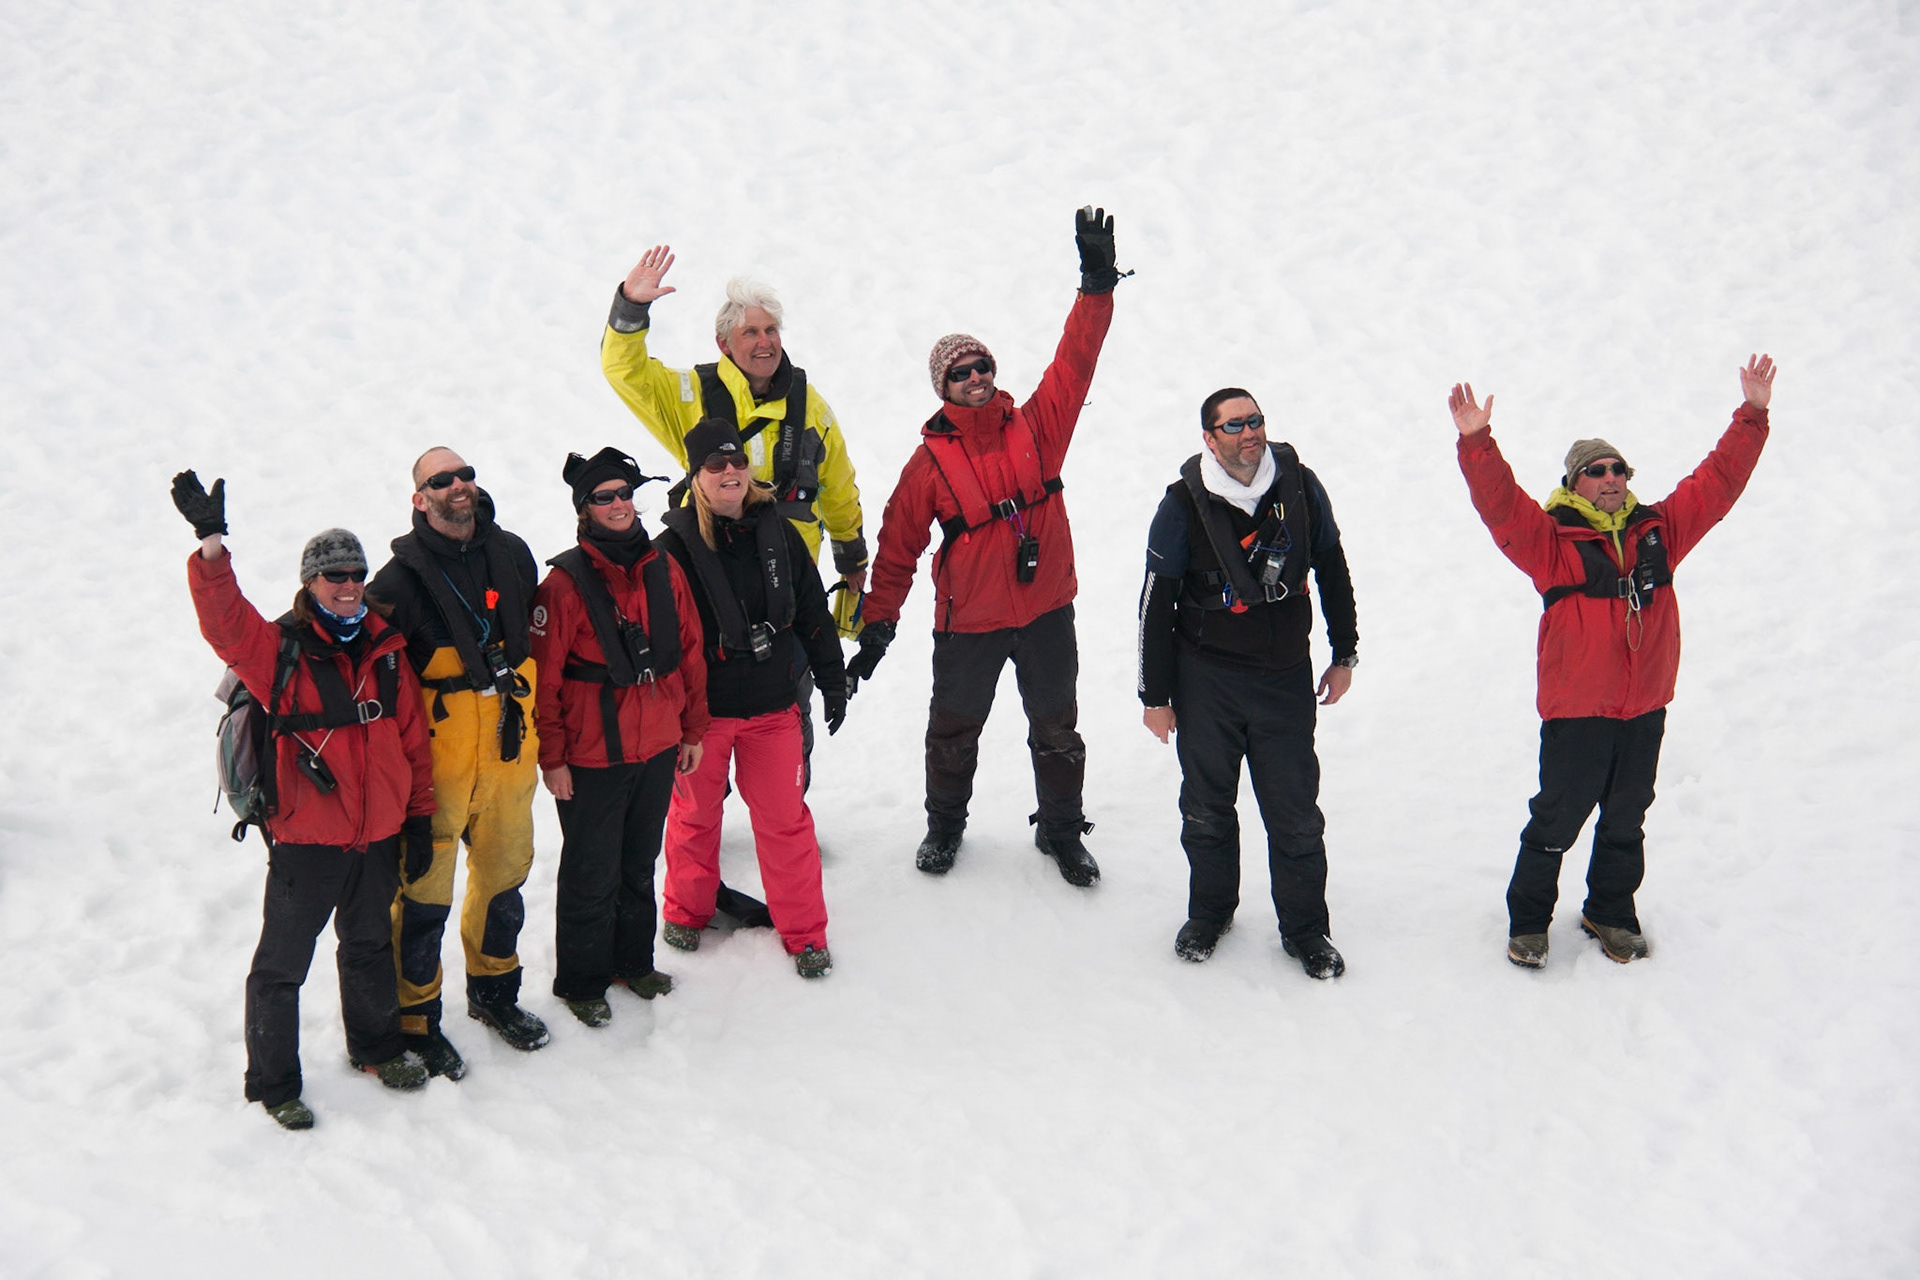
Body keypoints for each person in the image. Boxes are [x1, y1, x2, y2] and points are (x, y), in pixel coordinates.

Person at [1448, 355, 1776, 967]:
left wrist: (1752, 414)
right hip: (1578, 708)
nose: (1610, 478)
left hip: (1644, 704)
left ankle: (1611, 911)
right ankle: (1528, 923)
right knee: (1557, 818)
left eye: (1618, 468)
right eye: (1596, 472)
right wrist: (1476, 441)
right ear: (1574, 484)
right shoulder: (1550, 541)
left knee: (1627, 816)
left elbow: (1719, 481)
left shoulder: (1660, 530)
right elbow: (1497, 504)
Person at [852, 206, 1122, 886]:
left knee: (1058, 729)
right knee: (953, 731)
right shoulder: (927, 466)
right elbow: (897, 549)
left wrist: (1096, 284)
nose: (975, 377)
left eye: (982, 366)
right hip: (968, 621)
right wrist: (879, 623)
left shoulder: (1038, 427)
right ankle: (945, 827)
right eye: (960, 372)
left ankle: (1061, 831)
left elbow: (1076, 362)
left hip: (1046, 612)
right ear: (941, 388)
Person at [173, 471, 436, 1130]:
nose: (348, 587)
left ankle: (375, 1049)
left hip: (376, 836)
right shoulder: (278, 650)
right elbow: (223, 621)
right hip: (306, 842)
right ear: (310, 583)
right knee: (282, 967)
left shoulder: (388, 649)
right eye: (333, 576)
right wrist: (211, 545)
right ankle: (273, 1081)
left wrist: (419, 816)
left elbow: (412, 743)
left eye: (355, 574)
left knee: (371, 946)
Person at [602, 253, 867, 767]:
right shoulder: (687, 394)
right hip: (703, 579)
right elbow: (623, 370)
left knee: (790, 708)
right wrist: (631, 306)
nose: (764, 341)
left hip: (784, 582)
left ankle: (787, 800)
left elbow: (838, 484)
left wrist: (852, 557)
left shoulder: (811, 407)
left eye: (771, 330)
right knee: (700, 704)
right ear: (725, 343)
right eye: (750, 332)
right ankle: (701, 814)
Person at [1136, 390, 1359, 979]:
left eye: (1255, 420)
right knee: (1207, 809)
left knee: (1295, 813)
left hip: (1284, 680)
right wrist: (1154, 697)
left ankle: (1307, 929)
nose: (1249, 432)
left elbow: (1332, 567)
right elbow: (1155, 605)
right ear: (1209, 439)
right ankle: (1210, 913)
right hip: (1206, 681)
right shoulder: (1182, 504)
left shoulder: (1301, 487)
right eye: (1233, 425)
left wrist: (1344, 653)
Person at [365, 448, 548, 1076]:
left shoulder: (513, 553)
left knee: (504, 883)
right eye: (439, 480)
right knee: (422, 900)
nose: (457, 486)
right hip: (436, 773)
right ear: (419, 498)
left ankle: (495, 996)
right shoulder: (394, 583)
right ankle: (415, 1020)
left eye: (465, 474)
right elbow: (345, 651)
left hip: (509, 755)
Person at [653, 419, 849, 978]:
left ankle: (806, 934)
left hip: (772, 710)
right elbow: (662, 641)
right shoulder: (670, 548)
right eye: (715, 466)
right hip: (703, 718)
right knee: (693, 816)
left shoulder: (779, 534)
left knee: (786, 822)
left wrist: (832, 682)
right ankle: (685, 912)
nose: (730, 473)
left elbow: (812, 612)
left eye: (736, 462)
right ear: (696, 477)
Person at [529, 448, 708, 1027]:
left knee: (638, 863)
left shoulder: (664, 567)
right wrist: (551, 757)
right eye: (604, 497)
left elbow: (690, 654)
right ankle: (582, 981)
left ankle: (634, 963)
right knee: (590, 871)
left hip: (657, 745)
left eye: (624, 494)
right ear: (585, 509)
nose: (618, 505)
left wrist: (692, 728)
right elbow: (544, 681)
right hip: (590, 755)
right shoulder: (562, 585)